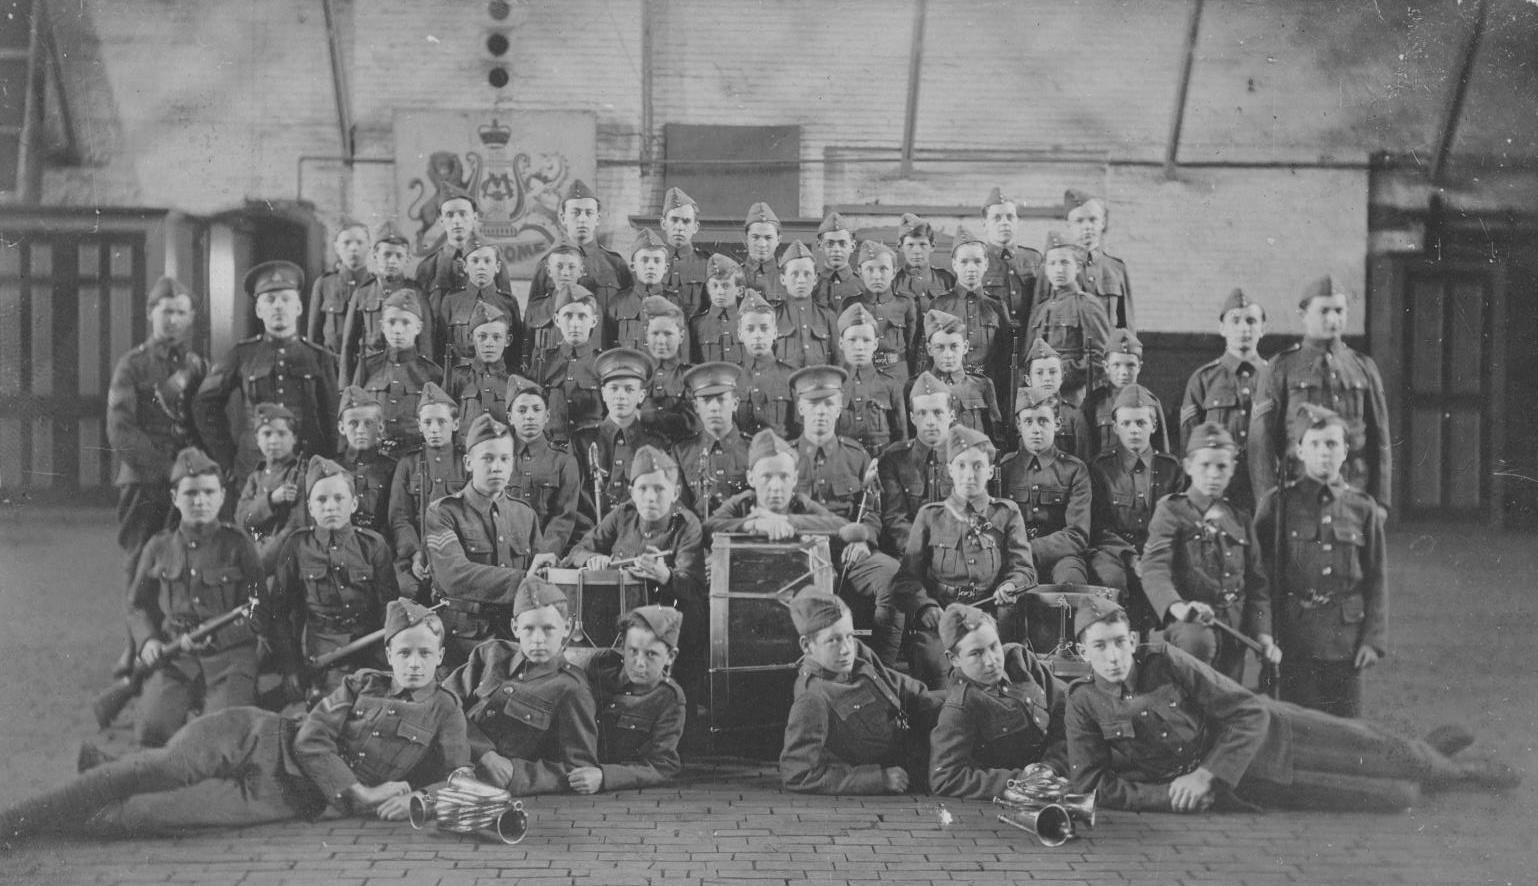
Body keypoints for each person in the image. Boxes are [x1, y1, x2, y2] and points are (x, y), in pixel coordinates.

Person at [0, 599, 468, 841]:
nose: (413, 662)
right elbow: (310, 739)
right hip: (258, 736)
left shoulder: (445, 709)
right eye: (403, 652)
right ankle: (18, 822)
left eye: (424, 653)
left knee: (144, 815)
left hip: (281, 796)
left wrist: (418, 802)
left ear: (440, 656)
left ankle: (77, 800)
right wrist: (362, 792)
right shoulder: (362, 682)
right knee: (159, 769)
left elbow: (458, 777)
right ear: (388, 653)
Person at [1066, 598, 1520, 814]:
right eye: (1100, 646)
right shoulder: (1084, 703)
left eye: (1121, 642)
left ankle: (1459, 771)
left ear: (1133, 640)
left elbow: (1247, 711)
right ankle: (1426, 754)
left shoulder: (1164, 660)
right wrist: (1170, 796)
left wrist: (1204, 774)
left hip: (1271, 732)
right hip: (1245, 784)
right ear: (1082, 653)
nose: (1114, 655)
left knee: (1380, 750)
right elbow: (1093, 786)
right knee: (1394, 797)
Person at [1253, 404, 1385, 718]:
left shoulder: (1362, 508)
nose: (1324, 453)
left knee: (1348, 729)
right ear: (1299, 451)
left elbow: (1377, 577)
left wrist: (1373, 638)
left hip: (1345, 638)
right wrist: (1265, 633)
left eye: (1332, 444)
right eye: (1314, 444)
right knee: (1297, 727)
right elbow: (1261, 577)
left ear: (1345, 450)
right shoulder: (1277, 504)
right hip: (1295, 635)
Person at [126, 447, 263, 748]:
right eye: (190, 494)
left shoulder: (239, 545)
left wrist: (219, 636)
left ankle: (212, 705)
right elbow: (137, 606)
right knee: (152, 732)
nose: (200, 501)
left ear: (222, 496)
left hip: (229, 657)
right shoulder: (159, 547)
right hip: (178, 654)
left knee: (219, 739)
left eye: (208, 492)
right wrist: (148, 640)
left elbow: (258, 610)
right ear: (175, 498)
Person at [789, 365, 921, 672]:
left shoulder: (856, 455)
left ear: (838, 408)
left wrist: (864, 540)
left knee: (892, 577)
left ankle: (879, 669)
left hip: (852, 554)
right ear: (800, 408)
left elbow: (872, 510)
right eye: (812, 404)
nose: (820, 412)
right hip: (800, 555)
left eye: (828, 404)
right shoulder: (786, 457)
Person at [566, 446, 707, 705]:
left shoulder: (686, 524)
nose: (650, 498)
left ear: (675, 492)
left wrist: (666, 576)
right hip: (620, 623)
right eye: (642, 489)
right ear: (631, 492)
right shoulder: (623, 514)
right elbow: (578, 551)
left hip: (669, 629)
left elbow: (695, 587)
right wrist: (594, 559)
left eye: (659, 489)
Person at [1141, 422, 1276, 684]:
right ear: (1189, 466)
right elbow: (1154, 569)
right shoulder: (1171, 511)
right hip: (1190, 627)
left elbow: (1258, 585)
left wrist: (1263, 634)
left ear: (1233, 470)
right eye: (1205, 465)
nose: (1213, 474)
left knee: (1226, 703)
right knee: (1197, 663)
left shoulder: (1240, 518)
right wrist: (1179, 608)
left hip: (1232, 630)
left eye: (1222, 466)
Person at [447, 575, 600, 795]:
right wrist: (483, 752)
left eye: (548, 629)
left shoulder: (571, 689)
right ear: (515, 627)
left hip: (483, 786)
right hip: (447, 753)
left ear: (567, 627)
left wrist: (517, 773)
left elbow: (578, 769)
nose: (538, 639)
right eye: (528, 629)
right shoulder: (490, 653)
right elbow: (444, 703)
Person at [1250, 275, 1392, 511]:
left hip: (1354, 489)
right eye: (1324, 311)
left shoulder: (1363, 367)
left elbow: (1380, 439)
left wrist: (1381, 502)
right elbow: (1261, 444)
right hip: (1297, 491)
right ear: (1304, 315)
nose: (1332, 319)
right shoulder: (1281, 367)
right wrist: (1269, 501)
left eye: (1339, 310)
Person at [779, 593, 944, 795]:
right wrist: (877, 779)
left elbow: (900, 686)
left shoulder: (856, 653)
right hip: (921, 764)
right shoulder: (813, 699)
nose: (846, 649)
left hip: (926, 729)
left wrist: (944, 709)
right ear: (807, 645)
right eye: (833, 640)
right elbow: (797, 774)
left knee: (972, 698)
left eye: (849, 636)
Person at [194, 261, 340, 483]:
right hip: (254, 467)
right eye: (270, 300)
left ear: (299, 308)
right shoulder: (241, 355)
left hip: (307, 466)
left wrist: (330, 465)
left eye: (286, 299)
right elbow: (204, 404)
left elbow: (332, 417)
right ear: (259, 310)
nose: (278, 306)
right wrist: (226, 458)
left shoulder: (319, 357)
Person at [268, 456, 400, 698]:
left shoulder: (374, 545)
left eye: (339, 498)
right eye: (321, 499)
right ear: (310, 507)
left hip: (371, 647)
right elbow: (279, 613)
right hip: (325, 654)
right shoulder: (297, 546)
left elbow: (388, 608)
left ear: (354, 504)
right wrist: (290, 668)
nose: (330, 506)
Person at [902, 425, 1035, 664]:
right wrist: (925, 606)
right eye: (961, 466)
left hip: (991, 615)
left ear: (991, 471)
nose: (969, 475)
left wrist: (1010, 586)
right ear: (950, 470)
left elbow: (1024, 570)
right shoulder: (930, 516)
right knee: (937, 667)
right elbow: (907, 577)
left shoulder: (1006, 513)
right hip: (943, 617)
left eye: (978, 466)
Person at [423, 414, 544, 668]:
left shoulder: (525, 514)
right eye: (487, 459)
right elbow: (453, 576)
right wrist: (524, 579)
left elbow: (540, 583)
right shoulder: (444, 512)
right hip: (462, 645)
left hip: (515, 640)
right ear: (469, 462)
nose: (497, 467)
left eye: (504, 459)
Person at [107, 275, 207, 565]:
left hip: (189, 478)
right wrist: (167, 468)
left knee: (189, 560)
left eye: (180, 312)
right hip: (145, 480)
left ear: (190, 318)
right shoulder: (132, 366)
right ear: (151, 312)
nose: (173, 320)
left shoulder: (197, 366)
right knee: (143, 560)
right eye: (166, 311)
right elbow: (121, 430)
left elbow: (205, 422)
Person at [928, 603, 1070, 800]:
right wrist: (1020, 781)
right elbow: (945, 777)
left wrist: (1053, 766)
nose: (991, 661)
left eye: (994, 647)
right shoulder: (959, 707)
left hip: (1065, 762)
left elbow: (1066, 708)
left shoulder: (1019, 659)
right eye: (976, 653)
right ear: (954, 659)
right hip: (1036, 790)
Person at [999, 386, 1092, 651]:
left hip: (1062, 555)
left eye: (1043, 421)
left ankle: (1069, 657)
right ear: (1018, 425)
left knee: (1071, 583)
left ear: (1058, 423)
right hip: (1015, 558)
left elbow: (1077, 534)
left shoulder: (1074, 470)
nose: (1036, 429)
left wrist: (1030, 550)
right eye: (1028, 421)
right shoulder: (1004, 469)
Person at [1086, 385, 1187, 609]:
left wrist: (1153, 557)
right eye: (1126, 423)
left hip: (1160, 550)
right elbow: (1099, 526)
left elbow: (1179, 522)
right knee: (1111, 581)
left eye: (1141, 423)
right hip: (1114, 553)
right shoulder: (1100, 469)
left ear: (1154, 425)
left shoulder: (1172, 469)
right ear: (1115, 427)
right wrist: (1132, 559)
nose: (1134, 430)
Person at [572, 605, 688, 793]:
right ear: (622, 648)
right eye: (632, 651)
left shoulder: (668, 699)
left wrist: (605, 777)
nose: (639, 663)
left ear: (670, 656)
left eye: (651, 654)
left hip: (587, 781)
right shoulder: (598, 665)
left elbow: (663, 765)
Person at [1180, 288, 1267, 513]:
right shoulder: (1203, 380)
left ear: (1262, 328)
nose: (1244, 328)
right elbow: (1189, 445)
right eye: (1235, 320)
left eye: (1251, 320)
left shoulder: (1276, 378)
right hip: (1219, 492)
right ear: (1222, 328)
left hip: (1266, 492)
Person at [387, 383, 465, 602]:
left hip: (458, 555)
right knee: (404, 590)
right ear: (419, 426)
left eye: (442, 422)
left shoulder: (466, 463)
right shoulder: (407, 464)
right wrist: (415, 554)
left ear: (455, 424)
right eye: (428, 422)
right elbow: (399, 517)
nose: (434, 429)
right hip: (415, 554)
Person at [573, 348, 667, 521]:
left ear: (641, 395)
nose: (620, 396)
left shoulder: (656, 444)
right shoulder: (582, 443)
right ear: (603, 394)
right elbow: (577, 504)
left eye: (629, 389)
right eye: (614, 388)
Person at [703, 428, 848, 540]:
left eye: (784, 476)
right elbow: (708, 528)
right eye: (766, 476)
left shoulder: (800, 503)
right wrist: (754, 524)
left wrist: (786, 520)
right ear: (751, 478)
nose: (776, 486)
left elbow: (842, 526)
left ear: (794, 479)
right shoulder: (742, 503)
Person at [1024, 230, 1113, 407]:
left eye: (1065, 262)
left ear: (1077, 267)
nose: (1058, 269)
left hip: (1074, 400)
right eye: (1052, 263)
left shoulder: (1087, 305)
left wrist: (1056, 376)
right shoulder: (1040, 309)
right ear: (1045, 269)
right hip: (1039, 401)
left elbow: (1099, 359)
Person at [874, 371, 955, 557]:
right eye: (922, 413)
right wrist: (923, 553)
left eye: (938, 412)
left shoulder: (966, 458)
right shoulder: (894, 459)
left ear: (951, 415)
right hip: (912, 555)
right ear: (912, 418)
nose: (930, 422)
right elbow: (896, 519)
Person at [353, 289, 443, 456]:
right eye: (392, 322)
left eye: (406, 322)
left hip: (415, 458)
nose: (398, 329)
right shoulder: (368, 367)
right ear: (382, 326)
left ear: (418, 328)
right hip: (375, 459)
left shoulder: (433, 374)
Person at [503, 374, 583, 561]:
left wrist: (543, 555)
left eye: (536, 409)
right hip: (502, 557)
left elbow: (563, 518)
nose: (529, 416)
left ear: (547, 416)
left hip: (545, 559)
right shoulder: (498, 459)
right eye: (521, 410)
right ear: (510, 417)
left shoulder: (564, 462)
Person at [526, 180, 632, 320]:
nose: (582, 219)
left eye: (589, 213)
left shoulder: (615, 264)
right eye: (575, 213)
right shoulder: (547, 264)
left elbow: (628, 313)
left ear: (598, 218)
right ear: (563, 217)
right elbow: (533, 315)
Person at [344, 223, 434, 386]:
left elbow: (425, 346)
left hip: (409, 375)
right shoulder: (363, 293)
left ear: (407, 259)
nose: (392, 261)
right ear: (375, 255)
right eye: (386, 254)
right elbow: (348, 346)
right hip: (371, 374)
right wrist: (345, 387)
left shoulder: (417, 294)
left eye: (398, 256)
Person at [929, 225, 1009, 384]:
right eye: (964, 262)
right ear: (954, 264)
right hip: (948, 387)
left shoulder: (996, 306)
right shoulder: (940, 305)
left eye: (977, 261)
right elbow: (927, 357)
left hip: (987, 388)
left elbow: (1006, 359)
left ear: (986, 264)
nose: (971, 268)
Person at [673, 362, 753, 520]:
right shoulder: (682, 452)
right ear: (696, 406)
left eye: (721, 399)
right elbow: (678, 506)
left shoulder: (753, 450)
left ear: (735, 404)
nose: (714, 407)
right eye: (706, 400)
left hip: (743, 538)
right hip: (697, 539)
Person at [233, 403, 308, 570]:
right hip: (253, 555)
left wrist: (259, 563)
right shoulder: (256, 477)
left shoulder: (300, 474)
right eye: (267, 434)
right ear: (257, 440)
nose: (274, 441)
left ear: (294, 438)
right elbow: (242, 519)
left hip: (282, 562)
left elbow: (294, 528)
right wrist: (272, 499)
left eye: (282, 434)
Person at [1081, 328, 1172, 458]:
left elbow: (1162, 453)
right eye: (1116, 365)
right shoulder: (1094, 401)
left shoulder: (1150, 401)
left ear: (1139, 367)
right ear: (1106, 367)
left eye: (1130, 365)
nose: (1124, 372)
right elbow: (1085, 449)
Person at [433, 238, 521, 374]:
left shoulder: (508, 303)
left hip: (499, 377)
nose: (481, 266)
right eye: (475, 261)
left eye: (487, 261)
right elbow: (440, 347)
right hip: (460, 378)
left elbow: (516, 351)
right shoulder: (451, 300)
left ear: (497, 266)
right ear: (465, 266)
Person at [414, 186, 509, 311]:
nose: (457, 221)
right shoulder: (428, 267)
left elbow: (506, 307)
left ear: (474, 218)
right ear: (442, 221)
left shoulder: (491, 260)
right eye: (450, 215)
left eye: (463, 214)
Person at [842, 240, 920, 383]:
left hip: (897, 375)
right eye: (870, 269)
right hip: (861, 375)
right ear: (859, 272)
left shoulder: (905, 304)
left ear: (894, 272)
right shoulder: (851, 304)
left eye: (883, 269)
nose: (876, 276)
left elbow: (912, 347)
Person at [835, 304, 907, 457]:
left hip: (881, 467)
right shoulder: (833, 385)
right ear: (841, 343)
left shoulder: (890, 385)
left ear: (875, 344)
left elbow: (901, 440)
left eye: (866, 340)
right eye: (852, 340)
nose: (859, 347)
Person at [536, 283, 605, 445]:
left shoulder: (603, 363)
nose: (575, 323)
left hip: (591, 448)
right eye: (568, 316)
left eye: (582, 316)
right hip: (553, 450)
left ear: (594, 321)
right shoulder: (543, 361)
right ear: (557, 320)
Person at [923, 308, 1002, 445]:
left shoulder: (981, 386)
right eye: (940, 347)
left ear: (965, 347)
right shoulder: (918, 387)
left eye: (954, 346)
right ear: (930, 349)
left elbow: (996, 438)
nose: (948, 355)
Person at [1060, 188, 1133, 330]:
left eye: (1093, 220)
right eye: (1079, 221)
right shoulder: (1054, 267)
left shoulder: (1116, 269)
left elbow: (1127, 326)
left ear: (1103, 223)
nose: (1087, 227)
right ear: (1068, 224)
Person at [611, 228, 689, 356]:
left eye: (657, 261)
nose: (651, 266)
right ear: (633, 266)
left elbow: (684, 353)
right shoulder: (617, 304)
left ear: (665, 268)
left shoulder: (676, 303)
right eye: (645, 260)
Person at [443, 300, 513, 442]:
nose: (489, 343)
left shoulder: (515, 381)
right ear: (470, 338)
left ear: (507, 340)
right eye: (482, 336)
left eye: (496, 337)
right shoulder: (456, 377)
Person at [333, 386, 396, 537]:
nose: (361, 430)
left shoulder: (392, 468)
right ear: (342, 428)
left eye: (368, 423)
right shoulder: (332, 467)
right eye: (353, 424)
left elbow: (395, 518)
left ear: (380, 427)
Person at [979, 187, 1041, 338]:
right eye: (997, 217)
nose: (1004, 223)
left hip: (1028, 341)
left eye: (1010, 217)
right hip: (992, 344)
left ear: (1017, 222)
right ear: (985, 224)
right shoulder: (977, 259)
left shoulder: (1034, 259)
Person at [637, 295, 699, 446]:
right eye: (655, 333)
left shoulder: (692, 376)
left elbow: (692, 422)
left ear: (681, 336)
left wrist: (644, 417)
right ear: (646, 336)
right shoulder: (636, 376)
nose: (661, 341)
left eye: (668, 334)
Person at [735, 289, 797, 438]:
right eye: (750, 329)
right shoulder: (733, 378)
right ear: (740, 334)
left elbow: (799, 432)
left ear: (775, 332)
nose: (757, 335)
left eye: (764, 328)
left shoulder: (791, 376)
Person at [308, 218, 373, 356]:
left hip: (366, 369)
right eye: (347, 242)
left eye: (360, 242)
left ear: (369, 246)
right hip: (332, 367)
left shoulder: (376, 285)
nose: (353, 248)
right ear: (336, 247)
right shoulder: (324, 284)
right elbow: (314, 337)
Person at [523, 243, 585, 381]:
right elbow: (525, 352)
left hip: (578, 383)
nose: (565, 273)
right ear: (549, 271)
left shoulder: (592, 309)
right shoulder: (535, 308)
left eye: (571, 267)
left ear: (581, 271)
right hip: (541, 379)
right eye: (559, 267)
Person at [1020, 338, 1090, 459]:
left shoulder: (1074, 416)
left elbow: (1083, 460)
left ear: (1062, 377)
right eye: (1039, 373)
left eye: (1053, 372)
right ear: (1028, 380)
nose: (1047, 378)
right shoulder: (1021, 415)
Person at [775, 240, 838, 370]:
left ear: (815, 279)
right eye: (794, 274)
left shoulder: (828, 317)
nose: (801, 280)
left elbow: (840, 361)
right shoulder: (773, 317)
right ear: (783, 279)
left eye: (807, 274)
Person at [658, 186, 711, 314]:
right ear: (663, 223)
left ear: (696, 227)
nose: (680, 227)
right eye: (674, 220)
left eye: (686, 221)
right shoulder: (651, 261)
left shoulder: (707, 264)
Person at [892, 213, 956, 315]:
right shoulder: (893, 282)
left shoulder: (946, 280)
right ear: (900, 246)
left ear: (932, 246)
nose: (917, 251)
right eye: (910, 245)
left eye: (922, 244)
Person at [690, 253, 746, 365]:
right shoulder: (696, 325)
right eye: (714, 286)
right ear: (708, 289)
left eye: (726, 286)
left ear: (740, 290)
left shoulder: (748, 321)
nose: (720, 292)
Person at [812, 211, 862, 310]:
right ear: (820, 246)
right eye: (829, 244)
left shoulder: (863, 285)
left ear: (852, 246)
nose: (836, 249)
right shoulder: (811, 285)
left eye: (842, 244)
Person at [741, 201, 787, 304]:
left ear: (778, 240)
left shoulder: (788, 279)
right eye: (755, 237)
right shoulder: (734, 276)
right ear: (746, 239)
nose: (762, 244)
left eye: (768, 237)